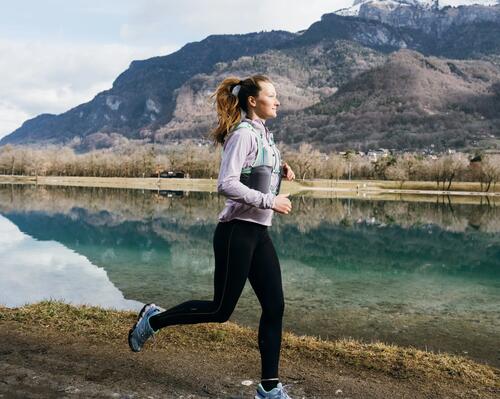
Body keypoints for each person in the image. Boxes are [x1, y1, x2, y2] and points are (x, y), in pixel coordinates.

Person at [128, 74, 296, 399]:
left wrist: (280, 170)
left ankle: (269, 389)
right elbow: (227, 183)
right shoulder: (243, 134)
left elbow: (255, 172)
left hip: (258, 233)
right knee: (220, 310)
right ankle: (153, 319)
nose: (277, 101)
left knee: (274, 307)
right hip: (236, 233)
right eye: (271, 96)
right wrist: (269, 200)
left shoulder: (264, 136)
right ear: (252, 100)